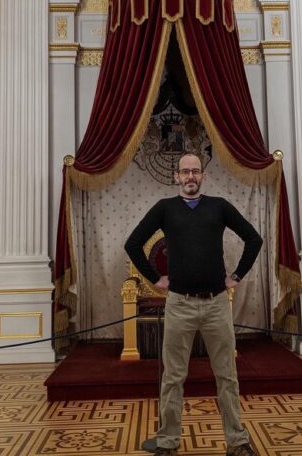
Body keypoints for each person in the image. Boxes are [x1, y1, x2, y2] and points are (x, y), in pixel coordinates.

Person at [125, 152, 262, 456]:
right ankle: (168, 442)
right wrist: (155, 279)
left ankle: (237, 442)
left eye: (195, 171)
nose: (190, 176)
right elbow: (132, 244)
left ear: (203, 176)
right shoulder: (165, 209)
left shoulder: (219, 207)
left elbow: (254, 239)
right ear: (176, 176)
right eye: (185, 171)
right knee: (173, 377)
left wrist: (236, 275)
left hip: (216, 305)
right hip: (179, 305)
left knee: (227, 375)